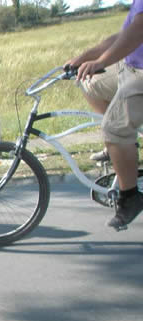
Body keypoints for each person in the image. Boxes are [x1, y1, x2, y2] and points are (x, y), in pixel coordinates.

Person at [66, 0, 143, 230]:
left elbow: (138, 31)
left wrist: (100, 61)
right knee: (89, 82)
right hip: (129, 68)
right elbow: (123, 35)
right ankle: (120, 147)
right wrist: (85, 57)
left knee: (113, 128)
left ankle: (130, 198)